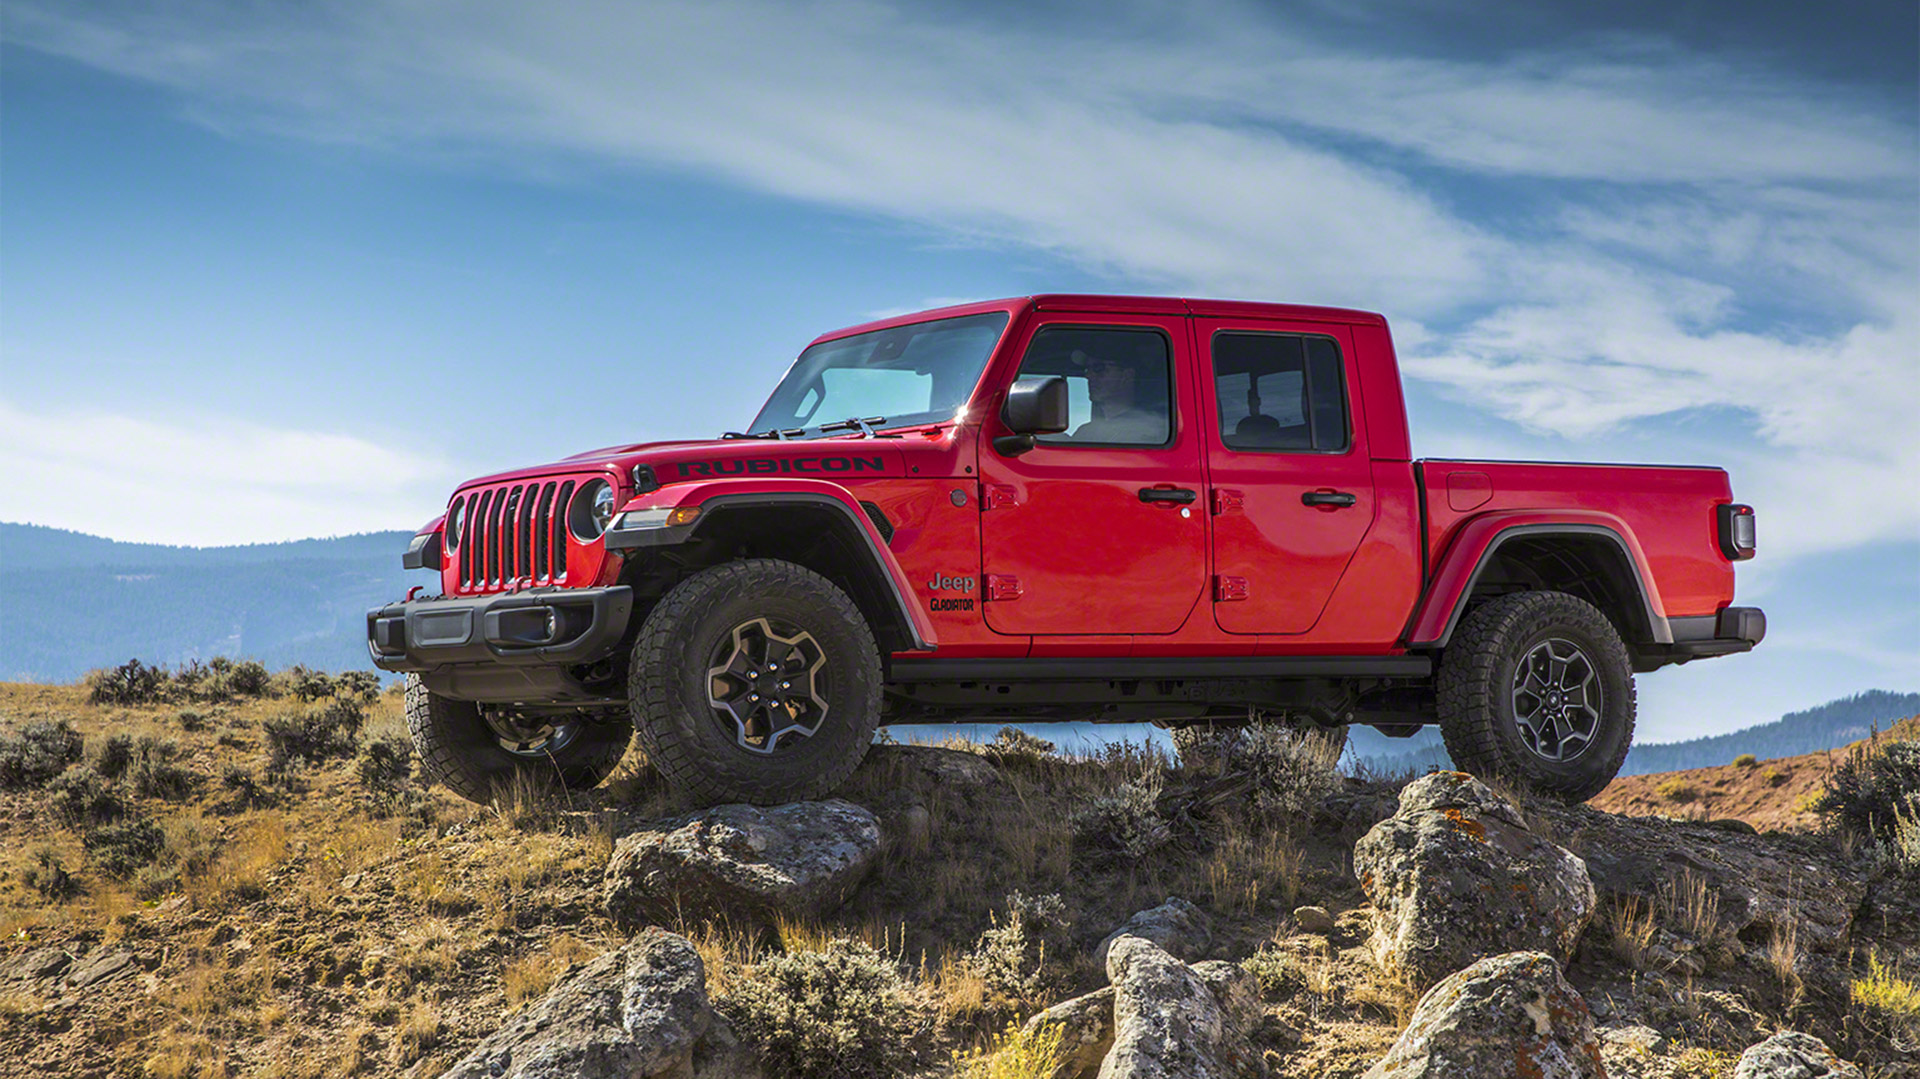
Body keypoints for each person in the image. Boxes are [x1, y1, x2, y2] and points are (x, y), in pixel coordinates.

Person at [1069, 347, 1166, 443]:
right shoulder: (1085, 433)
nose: (1088, 376)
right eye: (1087, 369)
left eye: (1098, 368)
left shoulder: (1152, 433)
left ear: (1127, 375)